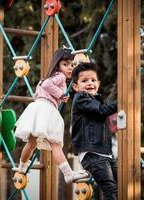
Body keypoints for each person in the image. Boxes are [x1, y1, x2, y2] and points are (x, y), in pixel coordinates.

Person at [14, 48, 89, 184]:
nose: (69, 68)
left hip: (38, 107)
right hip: (46, 110)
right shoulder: (59, 76)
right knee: (56, 144)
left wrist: (60, 97)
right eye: (65, 64)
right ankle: (68, 174)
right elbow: (48, 85)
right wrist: (60, 94)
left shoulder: (49, 77)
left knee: (31, 143)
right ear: (57, 65)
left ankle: (22, 167)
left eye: (72, 65)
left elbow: (39, 92)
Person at [71, 62, 118, 199]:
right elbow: (102, 111)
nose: (90, 83)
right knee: (111, 190)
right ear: (76, 87)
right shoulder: (81, 98)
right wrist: (122, 100)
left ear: (98, 83)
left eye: (93, 80)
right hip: (92, 153)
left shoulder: (95, 99)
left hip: (105, 153)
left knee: (121, 186)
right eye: (84, 81)